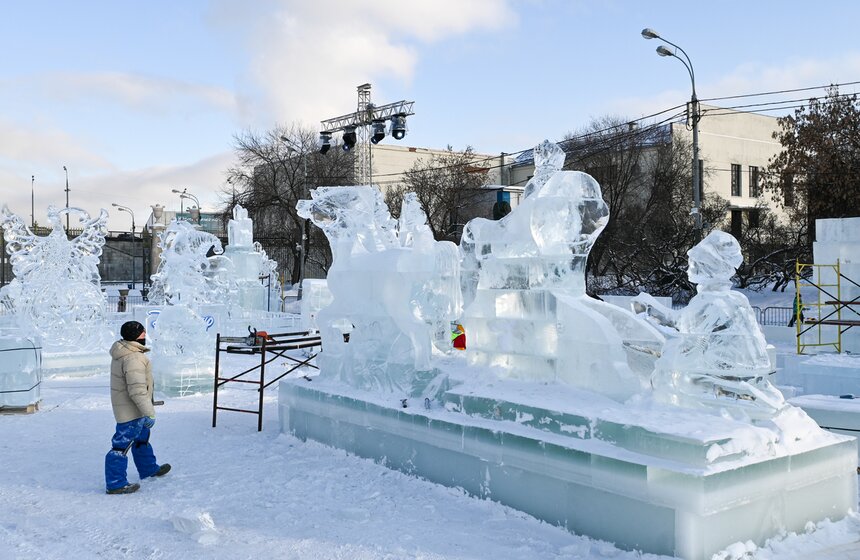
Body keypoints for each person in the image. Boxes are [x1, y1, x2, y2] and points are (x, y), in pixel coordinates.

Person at [105, 320, 170, 494]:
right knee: (121, 445)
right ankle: (116, 483)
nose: (145, 336)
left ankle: (148, 468)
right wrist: (149, 412)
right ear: (136, 336)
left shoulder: (126, 350)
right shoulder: (133, 358)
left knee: (142, 439)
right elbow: (137, 390)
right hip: (131, 411)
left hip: (136, 409)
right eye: (142, 333)